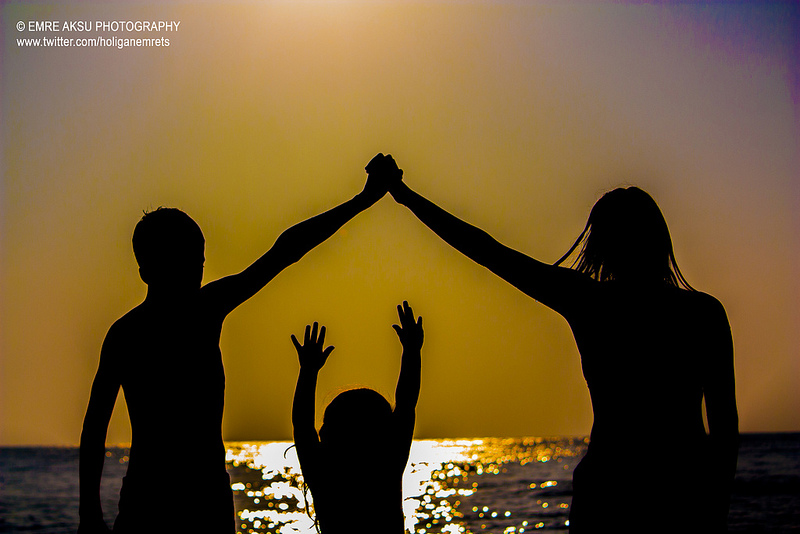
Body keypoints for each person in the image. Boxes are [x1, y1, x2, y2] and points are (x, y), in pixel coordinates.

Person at [371, 156, 738, 532]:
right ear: (659, 240)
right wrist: (714, 513)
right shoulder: (702, 313)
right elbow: (725, 433)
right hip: (679, 494)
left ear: (602, 246)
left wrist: (405, 196)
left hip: (609, 492)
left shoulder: (591, 301)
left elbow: (489, 251)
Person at [77, 154, 400, 534]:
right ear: (147, 269)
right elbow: (95, 428)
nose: (196, 271)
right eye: (185, 262)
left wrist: (361, 201)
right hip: (163, 498)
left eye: (198, 261)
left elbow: (286, 251)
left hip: (197, 496)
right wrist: (90, 516)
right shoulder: (158, 324)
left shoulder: (163, 321)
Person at [291, 301, 423, 534]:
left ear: (328, 431)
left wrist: (308, 371)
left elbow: (302, 424)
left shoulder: (323, 472)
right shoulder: (386, 461)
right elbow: (406, 403)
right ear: (384, 430)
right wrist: (412, 350)